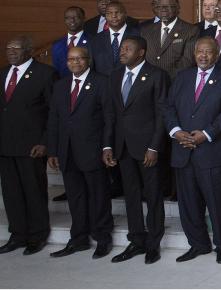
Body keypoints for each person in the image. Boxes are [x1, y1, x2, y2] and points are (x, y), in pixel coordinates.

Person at [165, 38, 221, 264]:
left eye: (209, 52)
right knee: (188, 204)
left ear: (217, 55)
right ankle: (198, 244)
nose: (204, 56)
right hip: (183, 149)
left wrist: (205, 134)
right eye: (200, 52)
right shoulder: (182, 77)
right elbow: (168, 107)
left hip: (211, 150)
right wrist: (176, 131)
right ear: (194, 53)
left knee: (217, 203)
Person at [102, 35, 169, 264]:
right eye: (122, 48)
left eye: (128, 49)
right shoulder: (115, 75)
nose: (122, 51)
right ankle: (137, 240)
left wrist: (154, 146)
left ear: (141, 52)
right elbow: (111, 113)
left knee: (152, 195)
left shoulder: (157, 75)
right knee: (130, 196)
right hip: (122, 147)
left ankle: (153, 243)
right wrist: (108, 144)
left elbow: (162, 114)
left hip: (147, 147)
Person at [47, 46, 113, 259]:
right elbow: (54, 119)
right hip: (67, 151)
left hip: (92, 150)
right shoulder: (60, 85)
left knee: (98, 196)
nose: (75, 63)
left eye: (79, 59)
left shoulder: (102, 82)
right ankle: (79, 239)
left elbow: (109, 118)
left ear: (88, 60)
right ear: (66, 62)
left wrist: (106, 147)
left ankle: (102, 238)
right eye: (71, 59)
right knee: (75, 198)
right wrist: (53, 150)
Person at [0, 36, 56, 256]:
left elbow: (54, 113)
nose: (11, 52)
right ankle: (18, 234)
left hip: (32, 146)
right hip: (5, 144)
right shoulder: (3, 73)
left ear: (29, 50)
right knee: (11, 193)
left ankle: (37, 234)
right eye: (8, 48)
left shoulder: (45, 74)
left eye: (16, 48)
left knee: (34, 191)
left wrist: (45, 142)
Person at [141, 0, 199, 79]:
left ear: (178, 8)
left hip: (174, 80)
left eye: (168, 6)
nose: (163, 10)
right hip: (148, 80)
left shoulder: (191, 30)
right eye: (159, 7)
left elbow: (188, 60)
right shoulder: (146, 30)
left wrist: (164, 78)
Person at [91, 1, 140, 77]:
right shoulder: (96, 39)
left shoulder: (138, 36)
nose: (114, 16)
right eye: (109, 13)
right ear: (105, 16)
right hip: (103, 85)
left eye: (117, 12)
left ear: (125, 14)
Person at [52, 6, 90, 78]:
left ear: (84, 19)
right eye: (68, 18)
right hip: (63, 85)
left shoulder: (93, 41)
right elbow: (56, 70)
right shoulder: (57, 45)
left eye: (76, 17)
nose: (72, 20)